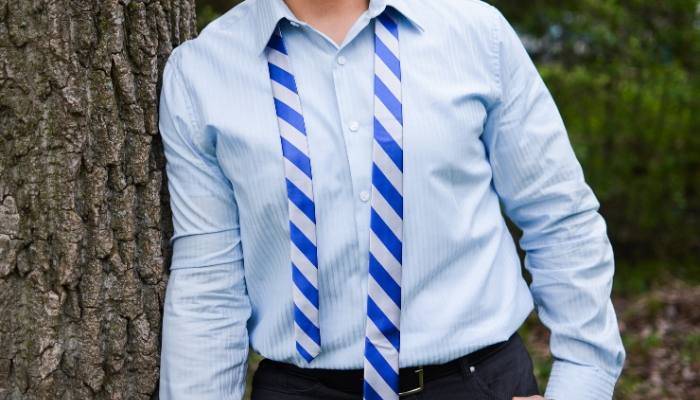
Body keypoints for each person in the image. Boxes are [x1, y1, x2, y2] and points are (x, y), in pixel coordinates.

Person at [157, 0, 626, 399]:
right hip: (300, 388)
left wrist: (582, 382)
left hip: (476, 383)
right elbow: (208, 284)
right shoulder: (202, 72)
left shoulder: (473, 32)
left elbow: (560, 216)